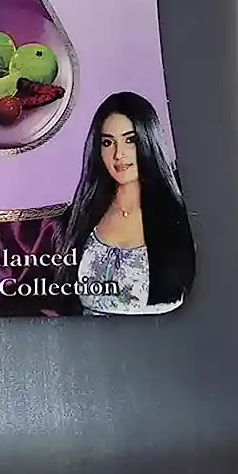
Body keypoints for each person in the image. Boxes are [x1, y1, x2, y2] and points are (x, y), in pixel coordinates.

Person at [58, 91, 195, 315]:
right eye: (108, 142)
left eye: (130, 140)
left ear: (148, 139)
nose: (118, 154)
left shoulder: (181, 216)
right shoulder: (82, 215)